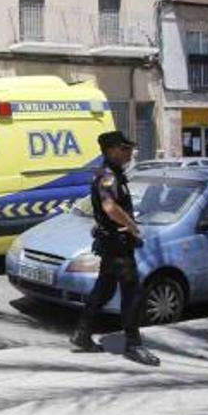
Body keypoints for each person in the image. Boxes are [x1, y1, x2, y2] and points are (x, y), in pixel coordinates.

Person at [70, 131, 160, 367]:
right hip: (117, 246)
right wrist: (131, 226)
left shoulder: (110, 174)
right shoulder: (108, 176)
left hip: (112, 242)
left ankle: (82, 333)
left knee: (105, 289)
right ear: (110, 150)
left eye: (130, 149)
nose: (129, 153)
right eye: (124, 149)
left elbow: (103, 209)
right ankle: (133, 344)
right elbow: (110, 208)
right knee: (132, 293)